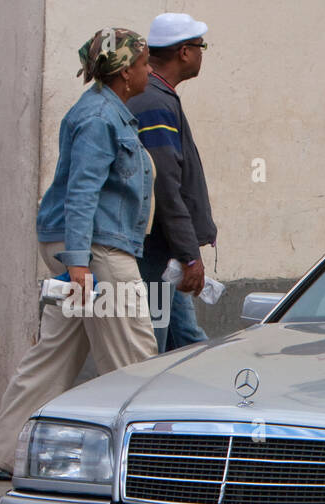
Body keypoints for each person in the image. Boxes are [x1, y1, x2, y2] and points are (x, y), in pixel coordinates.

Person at [0, 29, 156, 480]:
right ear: (124, 71)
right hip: (97, 251)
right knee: (135, 355)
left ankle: (0, 452)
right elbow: (82, 193)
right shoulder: (100, 117)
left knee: (55, 354)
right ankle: (151, 458)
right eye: (144, 62)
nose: (149, 70)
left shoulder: (105, 110)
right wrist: (79, 264)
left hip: (85, 250)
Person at [129, 12, 218, 352]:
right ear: (184, 52)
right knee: (155, 347)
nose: (201, 54)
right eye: (200, 46)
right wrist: (189, 254)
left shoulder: (157, 97)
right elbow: (165, 185)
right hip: (157, 252)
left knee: (187, 344)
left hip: (166, 252)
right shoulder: (154, 103)